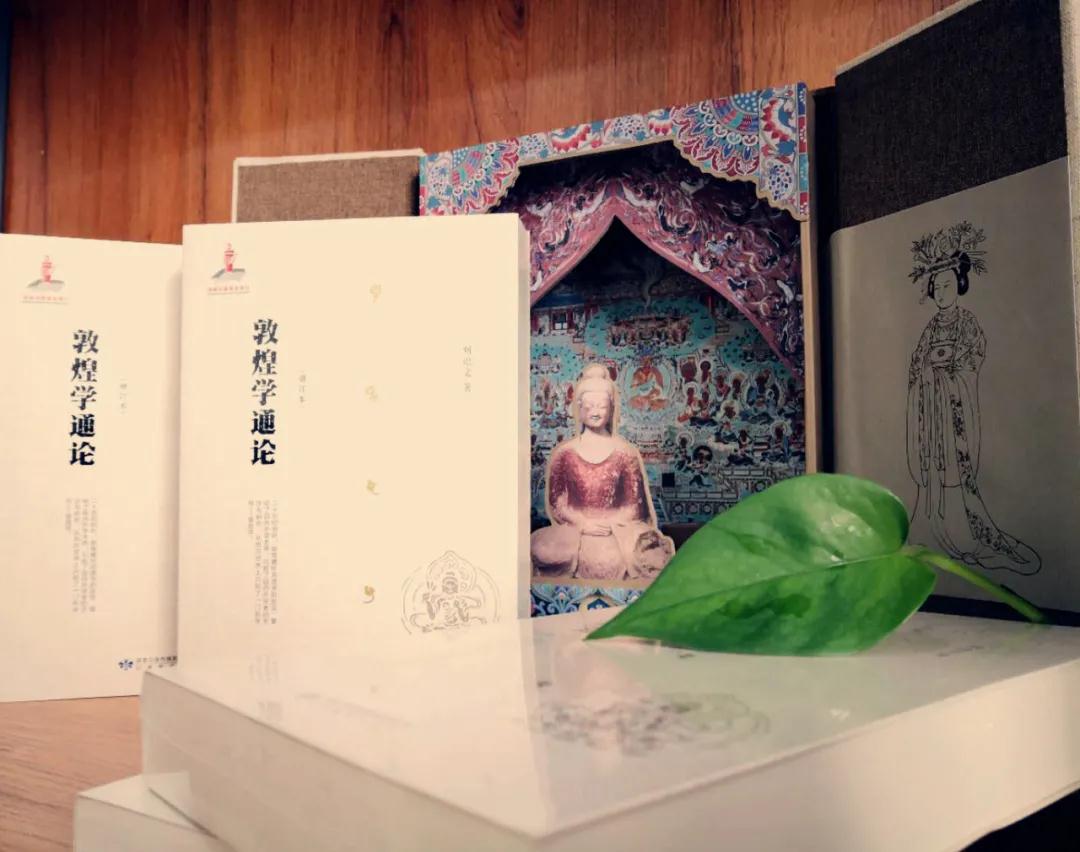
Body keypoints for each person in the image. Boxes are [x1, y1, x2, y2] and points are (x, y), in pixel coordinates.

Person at [907, 232, 1040, 574]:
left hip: (953, 409)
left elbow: (973, 359)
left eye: (948, 285)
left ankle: (965, 536)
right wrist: (926, 374)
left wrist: (950, 373)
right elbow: (916, 364)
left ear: (960, 285)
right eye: (937, 286)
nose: (941, 292)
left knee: (956, 469)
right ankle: (933, 531)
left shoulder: (967, 323)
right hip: (931, 412)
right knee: (934, 469)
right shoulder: (929, 328)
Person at [530, 364, 674, 581]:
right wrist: (584, 523)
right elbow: (558, 503)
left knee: (650, 556)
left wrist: (609, 523)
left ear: (611, 408)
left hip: (617, 530)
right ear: (579, 409)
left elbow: (634, 506)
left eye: (602, 406)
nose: (595, 412)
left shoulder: (625, 453)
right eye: (589, 406)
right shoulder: (565, 453)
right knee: (543, 550)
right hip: (576, 530)